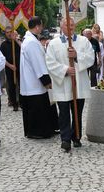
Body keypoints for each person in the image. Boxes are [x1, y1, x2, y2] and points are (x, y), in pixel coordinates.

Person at [46, 18, 94, 152]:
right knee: (64, 113)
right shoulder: (53, 44)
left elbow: (91, 58)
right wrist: (65, 70)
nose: (70, 27)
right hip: (63, 84)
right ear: (61, 27)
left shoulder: (83, 41)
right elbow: (50, 62)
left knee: (77, 111)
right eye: (67, 24)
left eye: (72, 24)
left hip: (79, 83)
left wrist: (77, 56)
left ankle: (76, 136)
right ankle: (65, 139)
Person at [20, 16, 59, 139]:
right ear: (37, 27)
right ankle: (37, 132)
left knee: (43, 107)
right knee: (37, 109)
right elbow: (38, 63)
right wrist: (46, 80)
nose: (42, 28)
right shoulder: (31, 42)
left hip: (33, 81)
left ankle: (49, 128)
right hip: (34, 83)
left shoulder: (31, 40)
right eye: (41, 26)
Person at [0, 26, 21, 111]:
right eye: (7, 32)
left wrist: (15, 39)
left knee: (21, 85)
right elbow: (2, 58)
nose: (9, 34)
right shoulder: (3, 45)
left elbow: (23, 48)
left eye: (10, 32)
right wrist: (10, 66)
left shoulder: (16, 42)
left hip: (19, 67)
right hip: (9, 68)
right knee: (11, 86)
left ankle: (21, 102)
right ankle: (14, 103)